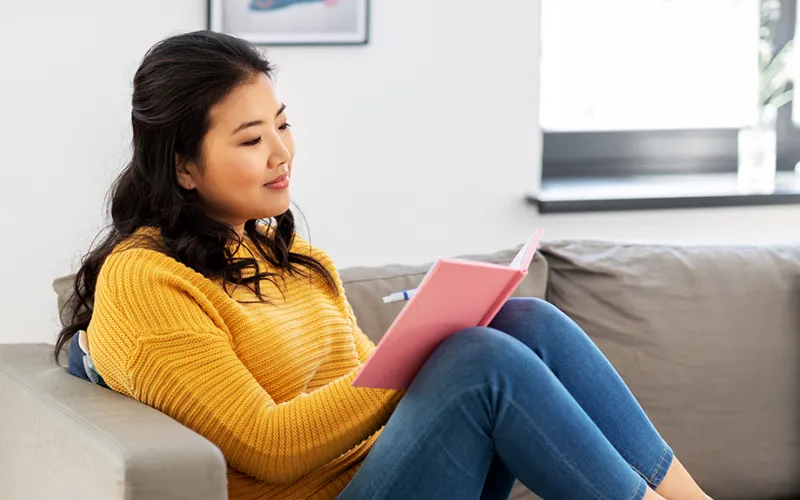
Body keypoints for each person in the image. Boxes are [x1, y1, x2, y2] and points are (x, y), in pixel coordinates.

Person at [55, 30, 712, 500]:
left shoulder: (293, 259)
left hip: (391, 474)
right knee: (480, 361)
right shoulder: (146, 280)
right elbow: (268, 447)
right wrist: (420, 350)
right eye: (252, 140)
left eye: (282, 125)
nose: (282, 152)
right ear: (183, 167)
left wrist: (425, 342)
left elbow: (369, 402)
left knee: (525, 321)